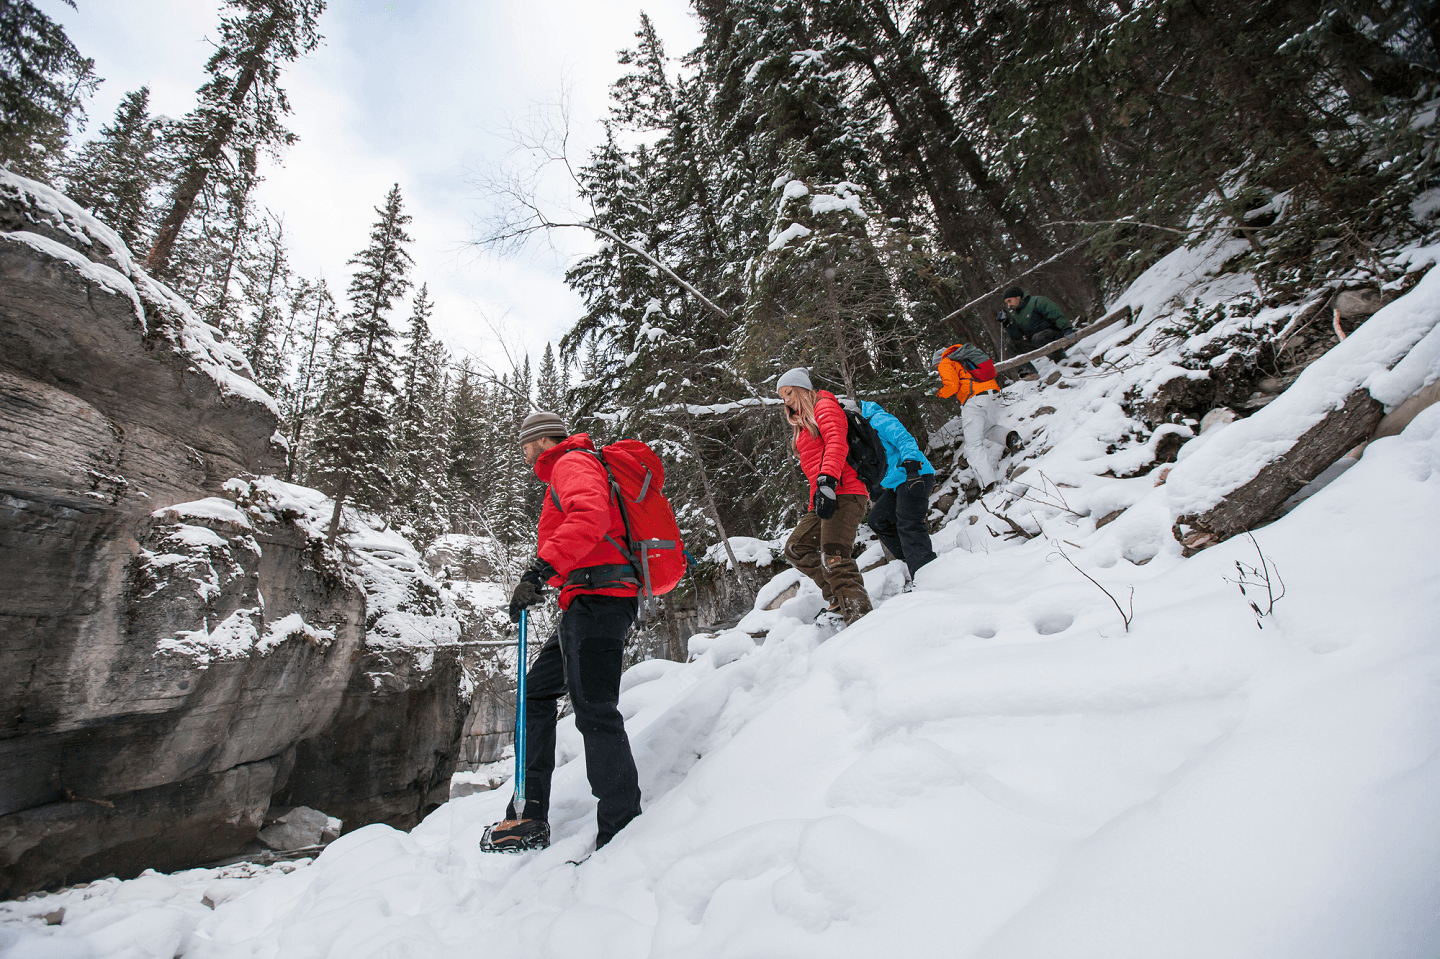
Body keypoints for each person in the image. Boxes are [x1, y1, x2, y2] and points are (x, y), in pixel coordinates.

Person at [486, 411, 643, 853]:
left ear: (538, 442)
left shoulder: (572, 463)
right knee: (536, 693)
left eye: (524, 445)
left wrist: (539, 570)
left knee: (594, 709)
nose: (523, 454)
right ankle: (529, 809)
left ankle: (621, 827)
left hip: (600, 599)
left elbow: (589, 517)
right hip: (584, 599)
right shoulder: (570, 465)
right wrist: (550, 576)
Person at [776, 368, 873, 626]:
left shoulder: (824, 406)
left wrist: (827, 481)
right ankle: (839, 599)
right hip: (825, 492)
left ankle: (860, 618)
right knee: (797, 547)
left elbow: (836, 443)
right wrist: (815, 501)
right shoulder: (803, 425)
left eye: (788, 392)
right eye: (781, 396)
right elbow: (813, 470)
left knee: (835, 556)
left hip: (845, 490)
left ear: (801, 389)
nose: (785, 400)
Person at [856, 399, 937, 581]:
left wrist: (912, 468)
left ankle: (927, 575)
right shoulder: (860, 436)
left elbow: (904, 439)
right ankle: (911, 564)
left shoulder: (878, 419)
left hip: (915, 474)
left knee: (909, 523)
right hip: (896, 484)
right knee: (878, 520)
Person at [933, 343, 1014, 491]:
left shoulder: (945, 362)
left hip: (974, 400)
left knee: (973, 446)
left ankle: (989, 483)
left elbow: (951, 386)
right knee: (988, 428)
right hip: (992, 395)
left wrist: (937, 392)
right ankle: (1012, 439)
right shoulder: (963, 357)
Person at [999, 286, 1074, 373]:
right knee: (1011, 345)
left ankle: (1060, 359)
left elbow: (1056, 314)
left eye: (1009, 301)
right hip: (1035, 341)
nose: (1009, 305)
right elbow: (1017, 336)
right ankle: (1028, 373)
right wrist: (1007, 324)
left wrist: (1067, 328)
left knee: (1038, 337)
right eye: (1007, 303)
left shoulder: (1037, 301)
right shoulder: (1016, 315)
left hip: (1053, 333)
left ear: (1017, 297)